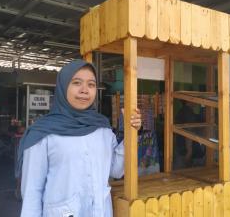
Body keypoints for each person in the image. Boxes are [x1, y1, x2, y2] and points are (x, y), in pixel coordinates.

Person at [17, 60, 141, 217]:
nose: (85, 90)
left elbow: (116, 170)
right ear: (63, 87)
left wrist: (131, 132)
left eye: (91, 84)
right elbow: (31, 194)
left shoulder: (102, 128)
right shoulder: (43, 132)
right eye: (77, 83)